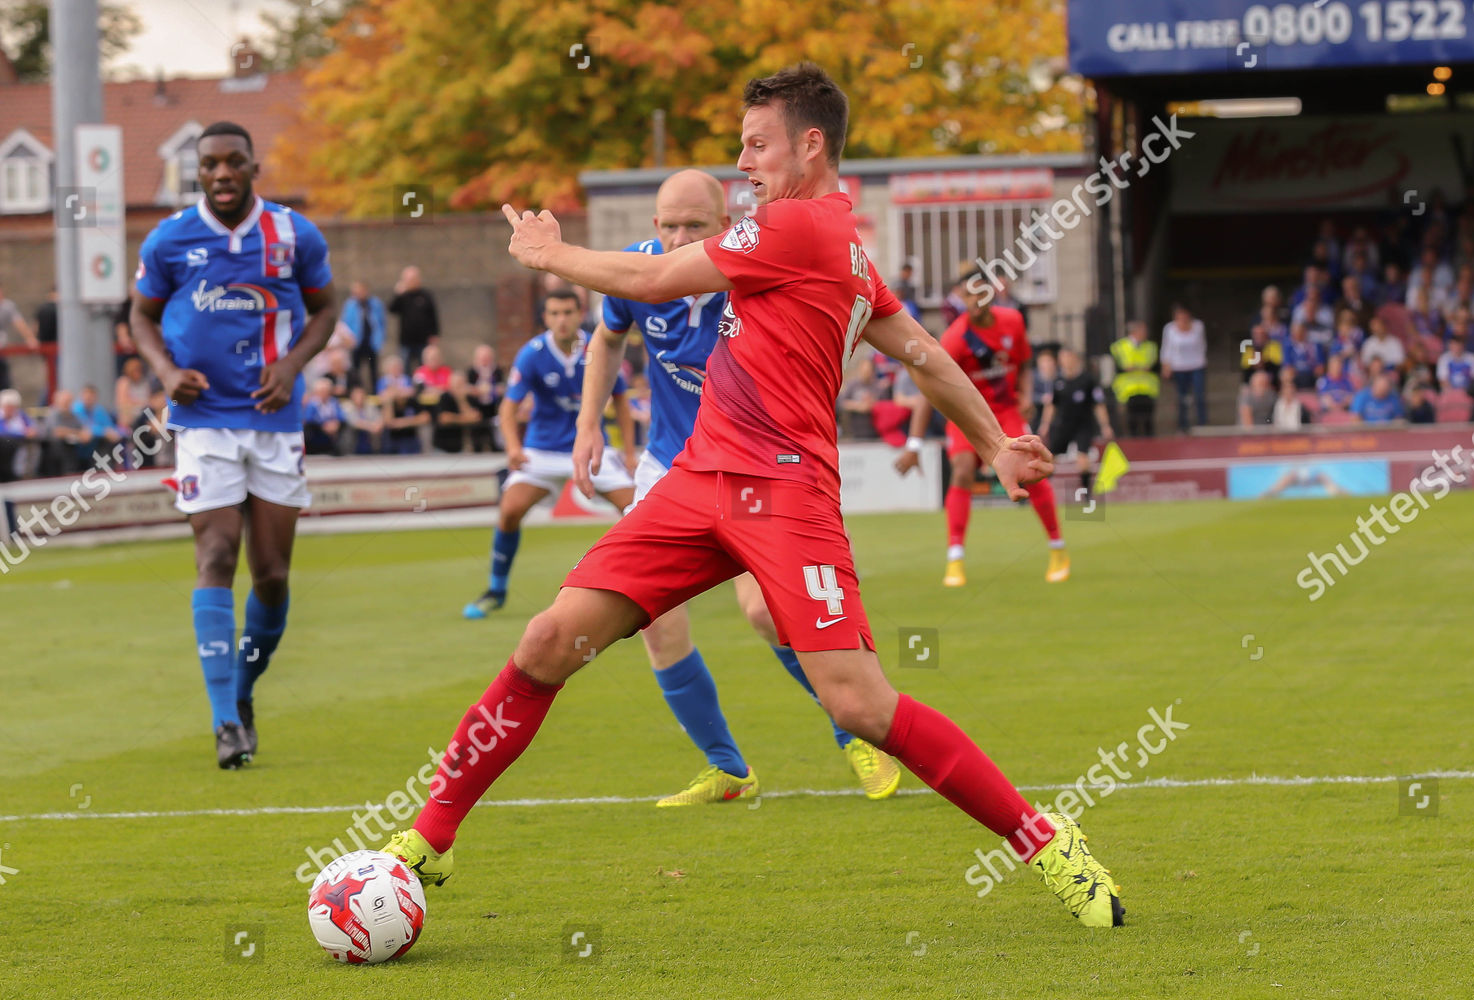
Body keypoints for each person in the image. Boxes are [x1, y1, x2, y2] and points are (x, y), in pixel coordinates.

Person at [381, 63, 1123, 929]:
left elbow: (658, 279)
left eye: (756, 143)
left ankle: (1045, 838)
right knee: (549, 640)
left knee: (859, 705)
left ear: (811, 145)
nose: (744, 161)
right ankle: (428, 839)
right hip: (697, 483)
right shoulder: (836, 245)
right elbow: (921, 353)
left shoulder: (798, 228)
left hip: (788, 494)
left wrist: (550, 255)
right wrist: (993, 442)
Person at [573, 168, 900, 804]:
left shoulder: (752, 269)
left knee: (761, 609)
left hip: (748, 461)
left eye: (693, 226)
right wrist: (590, 424)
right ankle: (728, 769)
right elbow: (607, 341)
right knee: (653, 622)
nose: (677, 237)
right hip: (670, 463)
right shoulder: (639, 273)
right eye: (668, 225)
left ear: (724, 227)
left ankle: (856, 733)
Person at [129, 121, 337, 769]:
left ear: (253, 168)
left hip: (273, 420)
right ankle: (224, 723)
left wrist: (292, 365)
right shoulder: (170, 238)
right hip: (203, 423)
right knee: (216, 551)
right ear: (198, 173)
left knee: (271, 575)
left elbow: (326, 308)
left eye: (233, 163)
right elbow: (139, 314)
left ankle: (243, 693)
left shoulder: (293, 234)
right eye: (210, 165)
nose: (221, 174)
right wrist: (165, 376)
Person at [461, 288, 637, 618]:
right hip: (542, 450)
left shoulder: (600, 346)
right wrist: (513, 448)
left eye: (568, 313)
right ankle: (496, 589)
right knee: (510, 510)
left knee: (636, 511)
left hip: (590, 448)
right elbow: (508, 410)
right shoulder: (533, 353)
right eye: (554, 314)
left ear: (579, 313)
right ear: (545, 318)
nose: (561, 320)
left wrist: (629, 454)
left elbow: (623, 403)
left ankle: (640, 586)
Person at [896, 268, 1069, 586]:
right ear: (961, 298)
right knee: (961, 470)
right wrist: (914, 444)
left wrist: (1027, 393)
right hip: (968, 415)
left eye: (980, 291)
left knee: (1030, 469)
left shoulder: (1013, 321)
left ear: (991, 292)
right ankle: (955, 557)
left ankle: (1057, 547)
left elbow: (1025, 361)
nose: (974, 300)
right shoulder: (954, 338)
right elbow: (929, 389)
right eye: (967, 294)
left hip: (1006, 412)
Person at [1037, 348, 1113, 500]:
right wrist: (1045, 424)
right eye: (1061, 358)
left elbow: (1098, 405)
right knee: (1050, 459)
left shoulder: (1087, 380)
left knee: (1083, 460)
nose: (1064, 362)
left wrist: (1105, 425)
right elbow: (1052, 405)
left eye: (1066, 358)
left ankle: (1086, 496)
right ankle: (1040, 492)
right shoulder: (1058, 382)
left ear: (1074, 359)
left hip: (1083, 426)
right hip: (1063, 425)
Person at [1160, 303, 1206, 431]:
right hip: (1179, 367)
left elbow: (1202, 345)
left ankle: (1202, 423)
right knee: (1181, 397)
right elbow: (1166, 348)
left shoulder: (1198, 326)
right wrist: (1166, 365)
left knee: (1199, 395)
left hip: (1196, 365)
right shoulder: (1169, 328)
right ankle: (1182, 425)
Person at [1109, 320, 1159, 437]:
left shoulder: (1151, 346)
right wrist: (1138, 367)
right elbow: (1120, 367)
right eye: (1143, 330)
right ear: (1134, 331)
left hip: (1147, 388)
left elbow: (1154, 365)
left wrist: (1135, 367)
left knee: (1148, 421)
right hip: (1128, 389)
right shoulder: (1119, 347)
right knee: (1131, 421)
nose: (1146, 333)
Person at [389, 266, 440, 375]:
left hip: (423, 340)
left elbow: (433, 316)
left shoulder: (426, 296)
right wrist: (398, 294)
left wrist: (434, 334)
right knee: (405, 368)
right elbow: (391, 309)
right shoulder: (403, 296)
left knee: (424, 369)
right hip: (406, 341)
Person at [341, 280, 386, 392]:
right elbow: (345, 323)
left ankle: (375, 392)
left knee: (373, 369)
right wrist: (348, 339)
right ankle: (356, 392)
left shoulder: (375, 304)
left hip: (371, 341)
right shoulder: (350, 305)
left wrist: (380, 339)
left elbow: (381, 322)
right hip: (356, 342)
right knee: (355, 369)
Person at [0, 281, 40, 391]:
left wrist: (30, 338)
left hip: (2, 353)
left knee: (5, 386)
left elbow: (19, 323)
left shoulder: (7, 306)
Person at [0, 388, 40, 480]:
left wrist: (31, 432)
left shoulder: (21, 415)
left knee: (33, 444)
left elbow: (31, 426)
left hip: (24, 440)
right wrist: (23, 434)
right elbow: (2, 432)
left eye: (13, 407)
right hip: (7, 443)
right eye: (8, 406)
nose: (11, 409)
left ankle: (28, 473)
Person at [301, 377, 344, 456]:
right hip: (318, 429)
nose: (324, 393)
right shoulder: (312, 403)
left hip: (332, 428)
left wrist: (335, 423)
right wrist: (324, 425)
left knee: (344, 425)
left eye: (326, 391)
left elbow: (341, 416)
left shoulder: (334, 402)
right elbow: (308, 418)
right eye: (322, 391)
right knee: (309, 427)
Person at [115, 355, 154, 427]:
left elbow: (149, 399)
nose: (137, 373)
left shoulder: (145, 382)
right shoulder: (124, 382)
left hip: (145, 410)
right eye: (135, 371)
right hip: (130, 412)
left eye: (139, 370)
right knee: (126, 415)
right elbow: (122, 402)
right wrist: (140, 403)